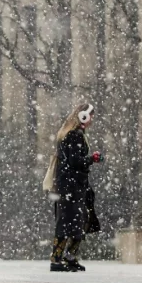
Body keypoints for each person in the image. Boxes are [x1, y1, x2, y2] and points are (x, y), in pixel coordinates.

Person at [46, 103, 101, 272]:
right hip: (71, 187)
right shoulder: (74, 135)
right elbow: (75, 161)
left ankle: (68, 257)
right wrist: (92, 158)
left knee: (78, 219)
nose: (92, 119)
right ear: (83, 116)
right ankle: (58, 258)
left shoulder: (72, 134)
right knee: (69, 221)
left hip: (72, 186)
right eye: (90, 116)